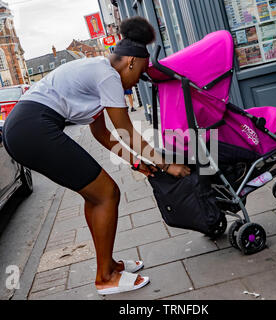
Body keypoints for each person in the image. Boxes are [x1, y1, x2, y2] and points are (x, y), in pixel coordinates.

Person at [2, 16, 191, 295]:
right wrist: (168, 165)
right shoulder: (108, 76)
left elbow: (102, 134)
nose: (137, 81)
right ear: (131, 62)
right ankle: (105, 278)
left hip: (25, 128)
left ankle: (110, 265)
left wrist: (136, 163)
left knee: (96, 194)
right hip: (33, 129)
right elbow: (126, 130)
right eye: (139, 73)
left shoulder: (98, 72)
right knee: (108, 193)